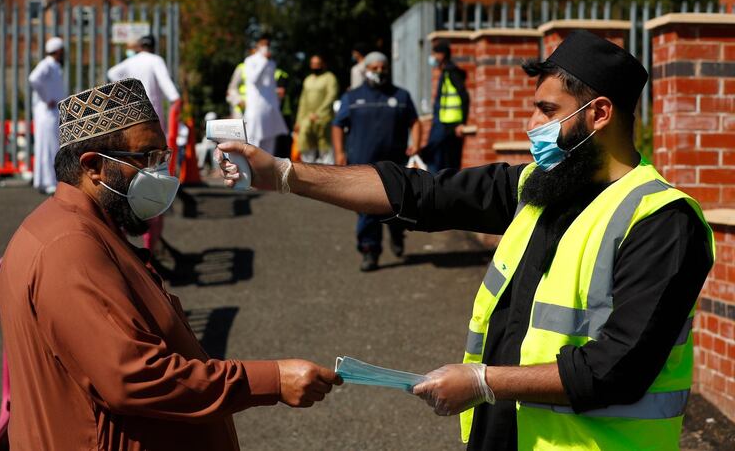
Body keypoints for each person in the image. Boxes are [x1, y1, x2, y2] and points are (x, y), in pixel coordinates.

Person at [215, 31, 715, 450]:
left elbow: (617, 369)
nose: (532, 124)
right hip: (503, 435)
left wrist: (483, 381)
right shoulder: (534, 187)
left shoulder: (662, 220)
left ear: (599, 113)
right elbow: (421, 192)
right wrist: (283, 174)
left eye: (547, 110)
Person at [0, 78, 341, 451]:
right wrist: (271, 380)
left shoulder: (86, 229)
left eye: (162, 158)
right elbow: (132, 376)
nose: (160, 174)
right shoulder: (69, 247)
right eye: (147, 159)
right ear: (93, 166)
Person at [332, 51, 422, 272]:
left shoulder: (401, 96)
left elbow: (415, 121)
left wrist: (416, 144)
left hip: (395, 164)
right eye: (375, 68)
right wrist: (339, 152)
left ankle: (397, 233)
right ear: (366, 70)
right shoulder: (352, 98)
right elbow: (337, 125)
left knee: (397, 206)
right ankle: (369, 251)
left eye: (383, 68)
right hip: (363, 165)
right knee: (367, 209)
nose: (380, 71)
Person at [107, 34, 182, 253]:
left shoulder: (130, 63)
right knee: (152, 181)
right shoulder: (155, 60)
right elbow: (172, 93)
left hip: (128, 128)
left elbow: (112, 74)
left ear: (139, 47)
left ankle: (123, 240)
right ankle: (152, 241)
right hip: (150, 130)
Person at [420, 40, 470, 172]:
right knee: (436, 158)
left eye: (434, 54)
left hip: (450, 126)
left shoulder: (452, 73)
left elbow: (464, 97)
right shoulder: (446, 72)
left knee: (446, 163)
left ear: (441, 55)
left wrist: (462, 123)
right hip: (443, 123)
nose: (432, 58)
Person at [29, 36, 65, 195]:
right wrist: (46, 98)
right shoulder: (47, 65)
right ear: (58, 51)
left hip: (50, 112)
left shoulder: (54, 66)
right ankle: (49, 182)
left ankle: (43, 181)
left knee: (48, 146)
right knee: (49, 146)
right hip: (47, 112)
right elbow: (33, 79)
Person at [242, 34, 289, 154]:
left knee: (270, 143)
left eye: (267, 45)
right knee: (254, 141)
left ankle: (267, 171)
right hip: (256, 108)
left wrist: (276, 103)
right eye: (263, 44)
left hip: (270, 108)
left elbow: (271, 85)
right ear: (257, 45)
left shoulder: (272, 63)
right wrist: (263, 61)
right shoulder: (250, 61)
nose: (266, 47)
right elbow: (253, 79)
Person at [295, 55, 339, 164]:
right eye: (313, 64)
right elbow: (303, 101)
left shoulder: (330, 77)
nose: (315, 66)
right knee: (306, 147)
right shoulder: (308, 79)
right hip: (307, 119)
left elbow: (331, 96)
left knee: (325, 148)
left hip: (323, 118)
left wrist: (318, 114)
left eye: (317, 63)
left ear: (323, 64)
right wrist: (298, 121)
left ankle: (329, 176)